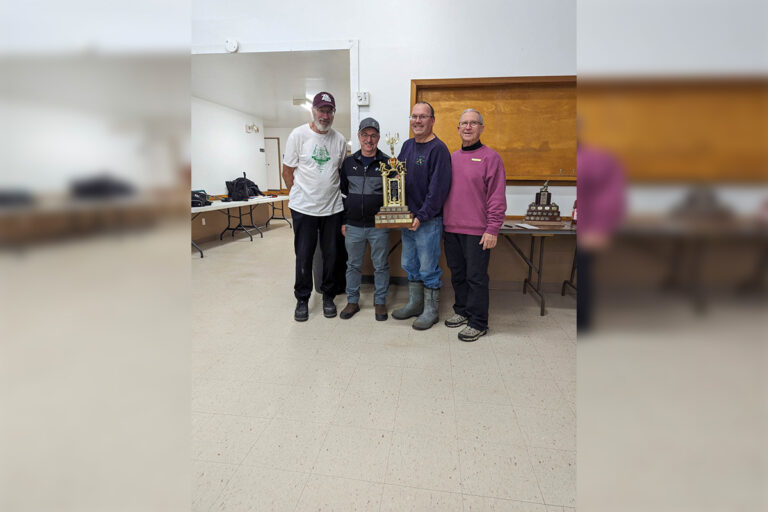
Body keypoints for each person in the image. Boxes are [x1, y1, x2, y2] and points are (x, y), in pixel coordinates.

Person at [282, 91, 347, 322]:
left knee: (331, 255)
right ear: (313, 110)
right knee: (304, 255)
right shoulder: (298, 135)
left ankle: (328, 296)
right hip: (304, 209)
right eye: (321, 110)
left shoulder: (339, 140)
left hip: (332, 209)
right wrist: (299, 194)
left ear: (334, 113)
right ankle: (302, 299)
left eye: (329, 111)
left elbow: (339, 172)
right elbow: (287, 171)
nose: (325, 116)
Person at [443, 109, 507, 342]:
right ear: (458, 128)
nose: (468, 127)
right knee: (458, 275)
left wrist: (492, 229)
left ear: (481, 128)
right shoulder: (451, 158)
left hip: (477, 232)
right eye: (464, 123)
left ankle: (478, 322)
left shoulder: (491, 158)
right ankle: (462, 311)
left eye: (473, 123)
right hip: (451, 228)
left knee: (476, 278)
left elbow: (496, 196)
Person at [391, 102, 452, 330]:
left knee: (428, 268)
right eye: (414, 116)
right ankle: (415, 304)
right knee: (410, 264)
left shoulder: (439, 149)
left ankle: (431, 311)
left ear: (432, 120)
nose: (417, 121)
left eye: (423, 117)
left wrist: (422, 216)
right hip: (407, 218)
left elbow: (438, 189)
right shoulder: (407, 146)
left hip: (428, 221)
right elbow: (397, 178)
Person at [338, 117, 391, 321]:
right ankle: (352, 301)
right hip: (353, 225)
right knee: (353, 265)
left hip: (379, 225)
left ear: (379, 137)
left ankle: (380, 301)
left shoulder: (388, 163)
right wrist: (344, 220)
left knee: (381, 266)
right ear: (359, 136)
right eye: (365, 135)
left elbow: (394, 195)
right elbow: (343, 194)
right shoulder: (348, 163)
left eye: (373, 135)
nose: (369, 140)